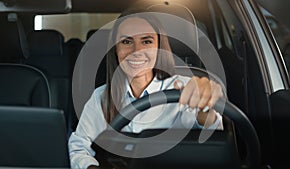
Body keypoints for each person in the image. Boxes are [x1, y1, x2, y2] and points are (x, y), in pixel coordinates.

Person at [68, 8, 224, 169]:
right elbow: (79, 147)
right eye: (127, 42)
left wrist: (206, 108)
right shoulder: (101, 97)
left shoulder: (186, 88)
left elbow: (212, 136)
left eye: (146, 41)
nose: (137, 51)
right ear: (116, 48)